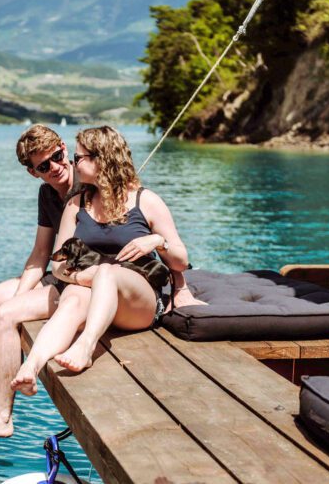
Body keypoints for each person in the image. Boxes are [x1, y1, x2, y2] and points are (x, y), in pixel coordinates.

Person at [11, 126, 198, 398]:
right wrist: (79, 278)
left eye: (79, 157)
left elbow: (180, 261)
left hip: (138, 301)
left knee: (108, 272)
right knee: (73, 296)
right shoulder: (77, 203)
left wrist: (157, 241)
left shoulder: (145, 200)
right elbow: (58, 263)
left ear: (102, 158)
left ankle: (86, 346)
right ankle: (31, 367)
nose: (72, 163)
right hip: (94, 293)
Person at [0, 124, 82, 441]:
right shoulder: (47, 194)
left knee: (6, 316)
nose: (55, 167)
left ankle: (2, 417)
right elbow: (40, 253)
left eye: (57, 156)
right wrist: (20, 295)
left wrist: (15, 306)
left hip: (80, 283)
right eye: (43, 166)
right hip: (59, 275)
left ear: (64, 148)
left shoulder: (87, 182)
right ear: (32, 172)